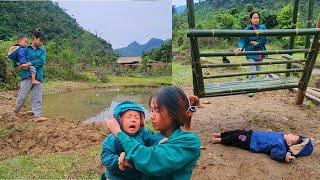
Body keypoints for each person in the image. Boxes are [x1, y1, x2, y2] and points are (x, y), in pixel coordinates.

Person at [106, 86, 201, 179]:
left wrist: (118, 131)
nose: (152, 116)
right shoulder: (153, 138)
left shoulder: (190, 142)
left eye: (157, 110)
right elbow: (138, 156)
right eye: (152, 110)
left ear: (174, 112)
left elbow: (150, 161)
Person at [101, 101, 164, 180]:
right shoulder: (112, 139)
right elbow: (106, 157)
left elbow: (154, 138)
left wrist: (162, 140)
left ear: (141, 121)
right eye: (129, 117)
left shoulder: (143, 133)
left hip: (137, 175)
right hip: (117, 176)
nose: (133, 120)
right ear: (119, 120)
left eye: (136, 117)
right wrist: (118, 161)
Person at [211, 129, 313, 163]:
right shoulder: (282, 136)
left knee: (236, 137)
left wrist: (285, 157)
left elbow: (275, 154)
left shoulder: (280, 145)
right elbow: (302, 139)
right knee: (237, 131)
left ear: (289, 143)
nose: (290, 133)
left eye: (291, 136)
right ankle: (221, 134)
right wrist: (305, 141)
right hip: (253, 134)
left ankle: (220, 140)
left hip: (252, 143)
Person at [13, 28, 48, 122]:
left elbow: (42, 61)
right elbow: (18, 59)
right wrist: (18, 64)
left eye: (42, 41)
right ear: (34, 38)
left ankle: (37, 116)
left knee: (37, 97)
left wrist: (29, 63)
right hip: (26, 76)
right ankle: (15, 112)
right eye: (40, 40)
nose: (41, 43)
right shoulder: (25, 49)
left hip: (38, 77)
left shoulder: (42, 50)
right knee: (22, 96)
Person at [235, 11, 268, 80]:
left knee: (257, 71)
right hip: (250, 52)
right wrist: (240, 47)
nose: (256, 19)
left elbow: (265, 39)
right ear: (251, 19)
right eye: (254, 18)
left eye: (257, 18)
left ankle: (249, 77)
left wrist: (258, 43)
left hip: (260, 52)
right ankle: (252, 87)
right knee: (253, 72)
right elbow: (242, 40)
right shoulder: (247, 29)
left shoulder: (263, 28)